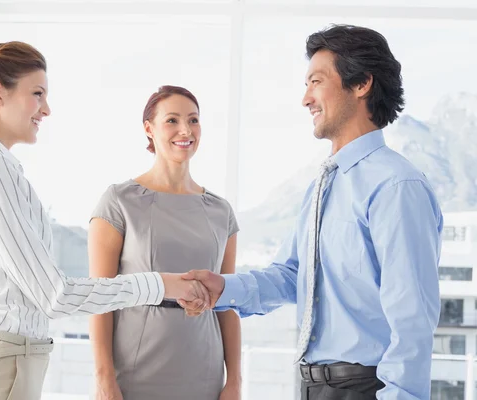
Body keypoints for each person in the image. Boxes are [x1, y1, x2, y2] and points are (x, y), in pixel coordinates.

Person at [0, 42, 209, 400]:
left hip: (0, 365)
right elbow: (55, 297)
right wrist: (163, 285)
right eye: (37, 94)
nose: (46, 109)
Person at [181, 25, 443, 400]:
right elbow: (292, 276)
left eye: (316, 82)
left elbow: (412, 317)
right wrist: (223, 287)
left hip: (368, 389)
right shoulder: (322, 185)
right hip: (314, 387)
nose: (306, 99)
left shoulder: (397, 186)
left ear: (361, 84)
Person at [89, 85, 241, 400]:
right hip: (135, 372)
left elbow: (228, 305)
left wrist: (235, 381)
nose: (185, 130)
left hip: (204, 371)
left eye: (194, 120)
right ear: (149, 128)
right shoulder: (119, 201)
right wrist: (104, 381)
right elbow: (99, 298)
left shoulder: (221, 211)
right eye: (172, 120)